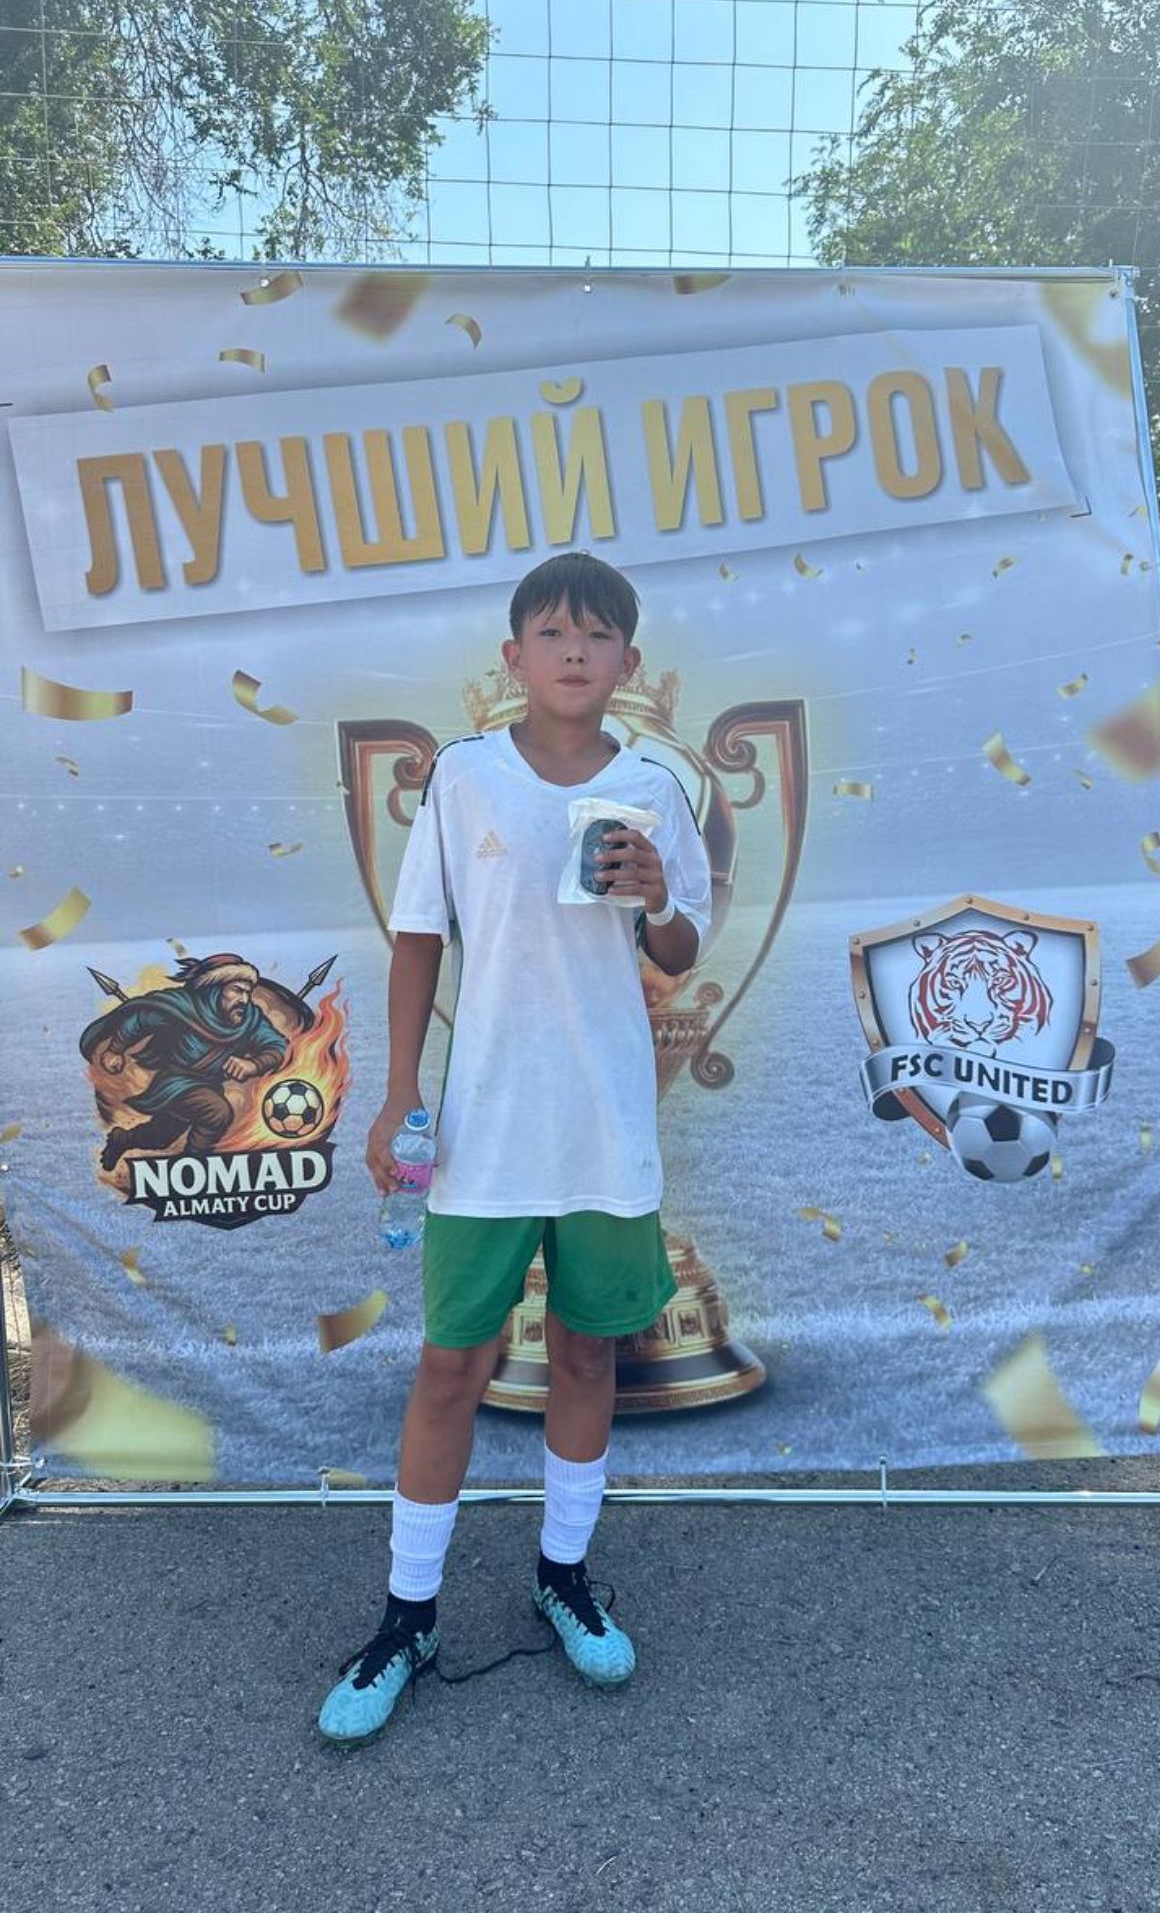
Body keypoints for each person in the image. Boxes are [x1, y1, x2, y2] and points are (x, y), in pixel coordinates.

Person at [317, 551, 712, 1748]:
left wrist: (656, 895)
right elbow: (418, 937)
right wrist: (399, 1095)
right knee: (451, 1365)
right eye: (552, 632)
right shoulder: (466, 776)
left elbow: (683, 949)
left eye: (597, 635)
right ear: (515, 657)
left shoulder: (655, 786)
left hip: (604, 1128)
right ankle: (407, 1615)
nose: (574, 651)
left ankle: (563, 1576)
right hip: (484, 1128)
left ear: (629, 661)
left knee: (589, 1356)